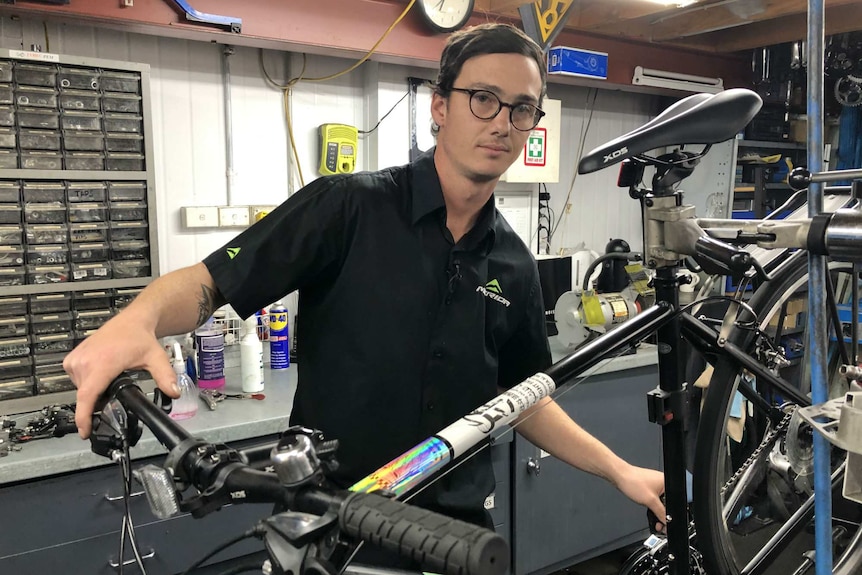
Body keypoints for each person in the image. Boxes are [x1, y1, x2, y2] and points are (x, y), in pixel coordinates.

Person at [66, 22, 665, 536]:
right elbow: (210, 281)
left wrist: (619, 469)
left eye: (522, 107)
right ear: (440, 106)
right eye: (483, 98)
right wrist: (137, 318)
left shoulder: (513, 262)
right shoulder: (346, 208)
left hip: (453, 532)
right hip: (332, 519)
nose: (503, 122)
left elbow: (520, 401)